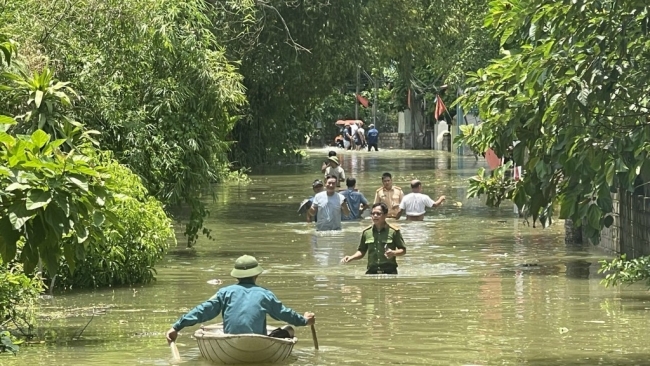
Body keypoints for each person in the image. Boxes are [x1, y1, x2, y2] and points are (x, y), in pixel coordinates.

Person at [165, 255, 316, 343]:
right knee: (289, 329)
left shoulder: (224, 293)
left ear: (236, 275)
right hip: (258, 344)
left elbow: (202, 310)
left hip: (230, 343)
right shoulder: (265, 294)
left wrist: (176, 327)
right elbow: (284, 314)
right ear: (257, 275)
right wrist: (304, 320)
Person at [341, 203, 407, 274]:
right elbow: (362, 251)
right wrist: (351, 257)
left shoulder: (394, 231)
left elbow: (403, 250)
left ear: (385, 215)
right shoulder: (366, 232)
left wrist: (393, 253)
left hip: (390, 272)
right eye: (373, 213)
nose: (375, 216)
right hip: (371, 271)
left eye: (378, 214)